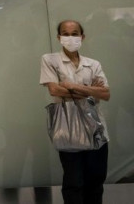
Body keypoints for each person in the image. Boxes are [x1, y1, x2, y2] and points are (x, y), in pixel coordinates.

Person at [40, 20, 110, 204]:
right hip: (68, 128)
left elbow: (106, 93)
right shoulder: (50, 60)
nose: (70, 37)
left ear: (82, 36)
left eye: (74, 33)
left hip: (96, 128)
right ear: (58, 37)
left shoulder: (93, 64)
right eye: (65, 33)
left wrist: (71, 87)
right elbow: (55, 90)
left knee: (96, 180)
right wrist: (89, 90)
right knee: (74, 182)